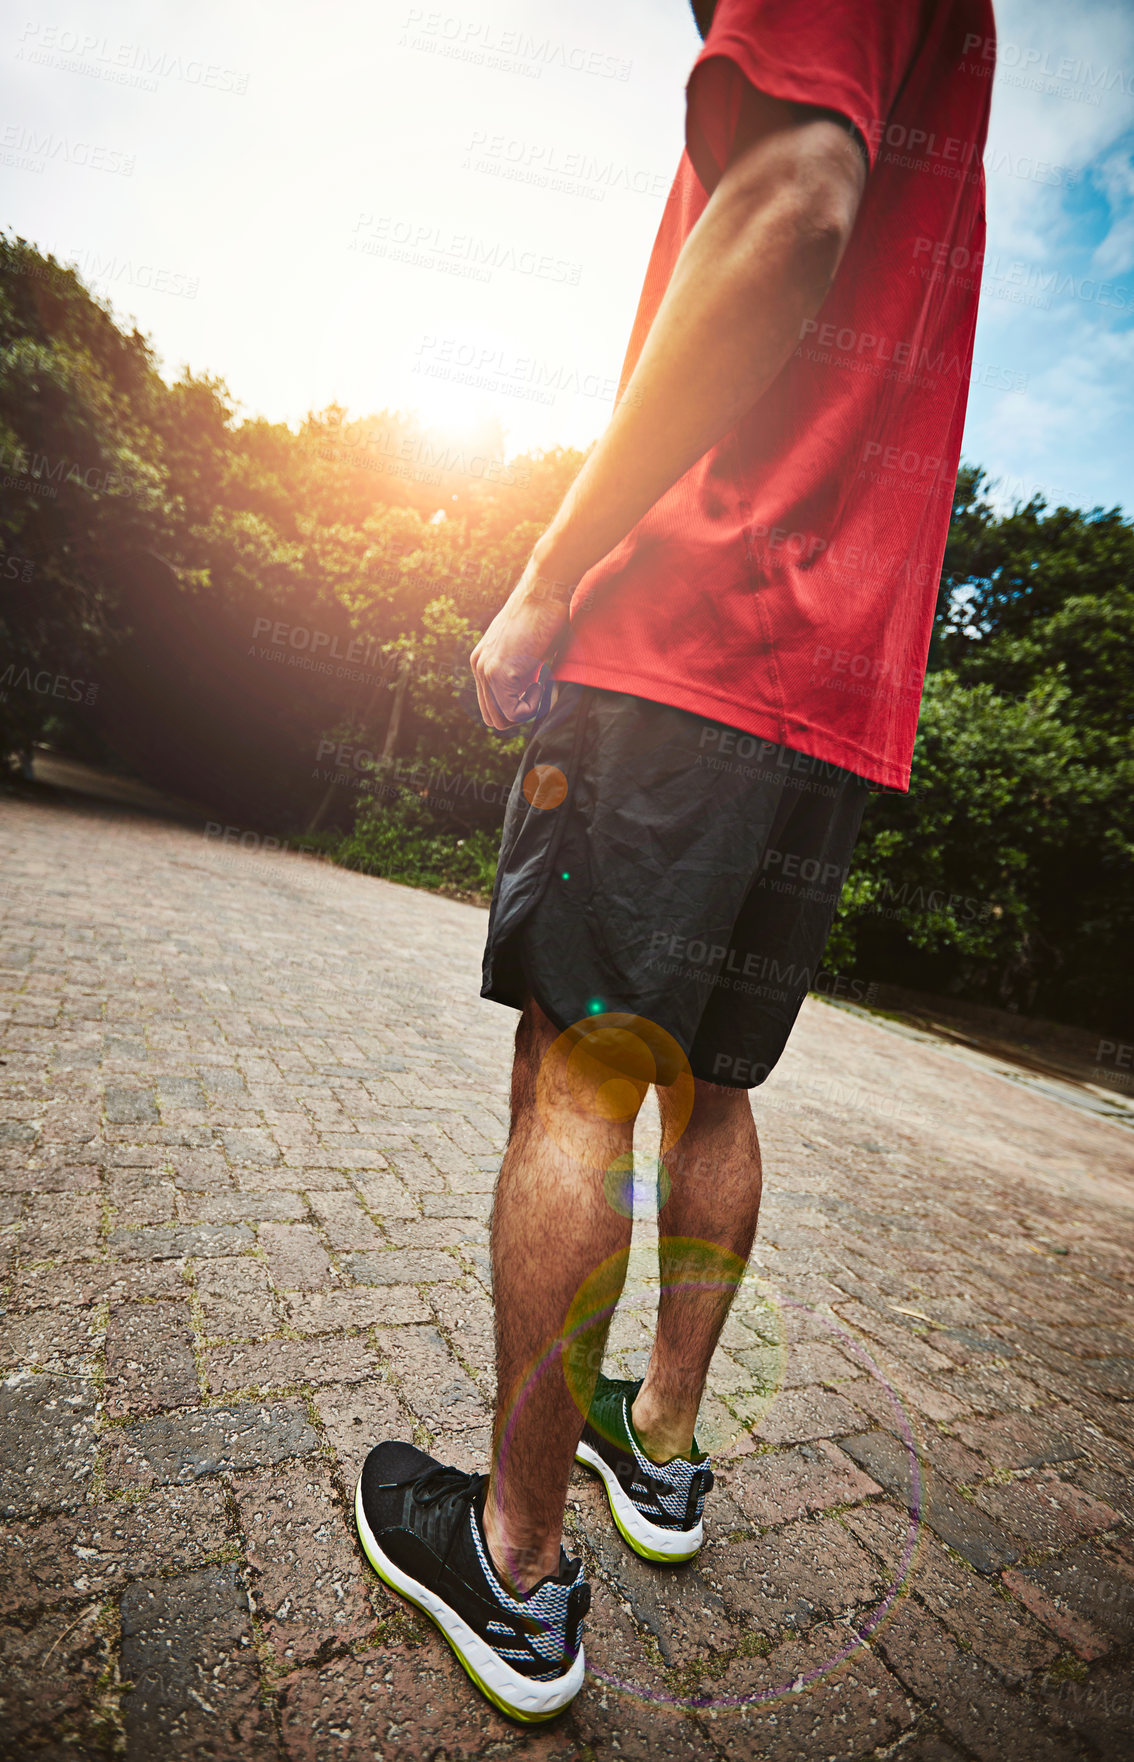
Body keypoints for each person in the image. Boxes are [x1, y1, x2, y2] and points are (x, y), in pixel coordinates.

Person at [355, 0, 994, 1722]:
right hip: (838, 680)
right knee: (714, 1081)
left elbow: (788, 203)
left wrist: (557, 563)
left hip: (693, 632)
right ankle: (661, 1451)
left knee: (579, 1077)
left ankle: (512, 1556)